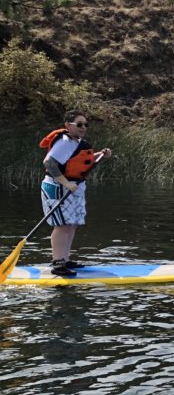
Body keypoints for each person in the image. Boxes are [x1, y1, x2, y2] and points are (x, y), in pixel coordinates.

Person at [39, 111, 111, 276]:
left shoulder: (77, 142)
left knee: (71, 224)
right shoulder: (64, 142)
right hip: (57, 187)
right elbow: (49, 162)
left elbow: (77, 162)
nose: (83, 127)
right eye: (79, 124)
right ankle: (58, 264)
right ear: (68, 126)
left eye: (85, 124)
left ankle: (65, 259)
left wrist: (100, 155)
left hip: (73, 188)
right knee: (62, 225)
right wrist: (66, 183)